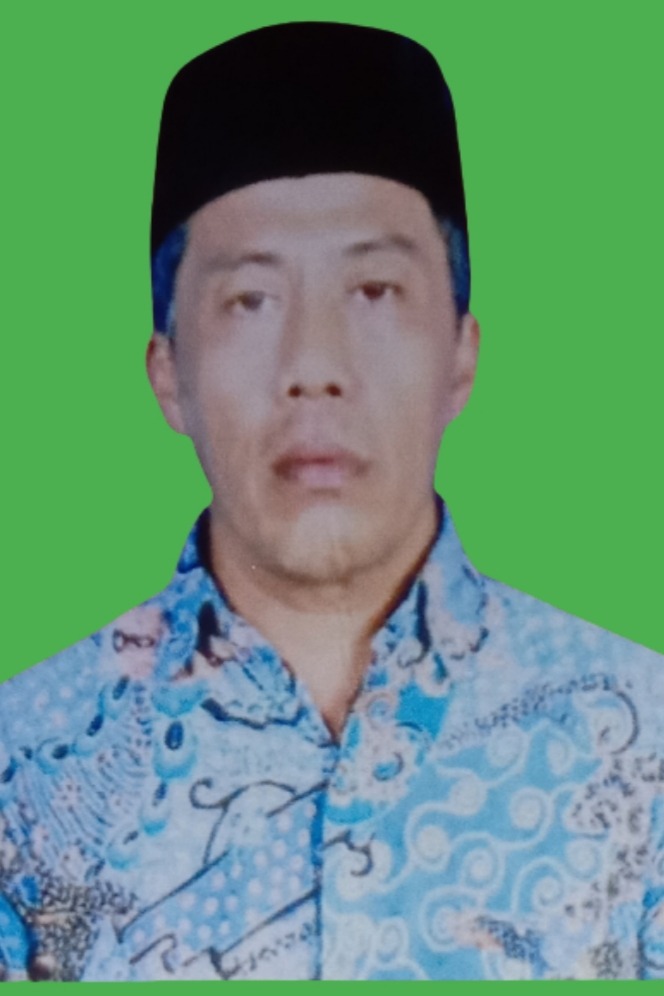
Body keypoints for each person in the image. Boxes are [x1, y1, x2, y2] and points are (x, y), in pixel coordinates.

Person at [1, 22, 663, 982]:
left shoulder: (642, 753)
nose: (315, 366)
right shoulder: (24, 778)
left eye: (375, 291)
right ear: (168, 374)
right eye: (250, 300)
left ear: (462, 355)